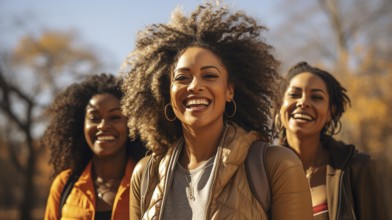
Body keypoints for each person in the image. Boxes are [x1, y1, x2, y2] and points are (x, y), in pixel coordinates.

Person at [121, 4, 313, 220]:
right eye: (182, 78)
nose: (194, 86)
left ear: (229, 90)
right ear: (167, 93)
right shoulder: (146, 175)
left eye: (209, 76)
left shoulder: (275, 165)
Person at [276, 61, 388, 219]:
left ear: (330, 112)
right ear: (280, 105)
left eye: (316, 97)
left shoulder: (356, 169)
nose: (303, 102)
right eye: (294, 95)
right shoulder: (260, 172)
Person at [43, 73, 146, 219]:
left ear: (131, 124)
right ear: (81, 124)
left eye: (115, 117)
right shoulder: (64, 184)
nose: (103, 126)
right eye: (94, 118)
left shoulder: (149, 184)